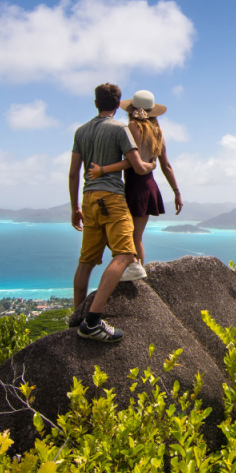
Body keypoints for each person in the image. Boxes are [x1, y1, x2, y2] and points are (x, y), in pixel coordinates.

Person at [68, 83, 156, 342]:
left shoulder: (81, 131)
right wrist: (151, 164)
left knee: (85, 262)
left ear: (96, 103)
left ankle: (77, 317)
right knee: (125, 255)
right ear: (118, 105)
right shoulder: (120, 129)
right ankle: (92, 322)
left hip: (88, 198)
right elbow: (138, 166)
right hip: (111, 197)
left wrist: (74, 207)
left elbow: (74, 172)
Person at [87, 90, 182, 265]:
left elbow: (133, 162)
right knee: (134, 236)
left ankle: (137, 274)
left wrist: (103, 170)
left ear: (131, 110)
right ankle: (135, 271)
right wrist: (176, 192)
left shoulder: (132, 127)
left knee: (131, 236)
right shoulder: (158, 132)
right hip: (148, 185)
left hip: (136, 185)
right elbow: (166, 165)